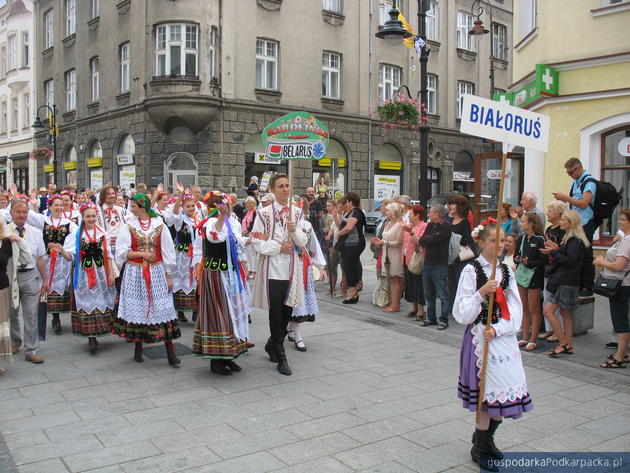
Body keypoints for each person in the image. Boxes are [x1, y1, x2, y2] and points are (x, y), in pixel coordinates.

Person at [453, 219, 532, 472]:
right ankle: (480, 447)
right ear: (481, 242)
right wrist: (481, 293)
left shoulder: (506, 271)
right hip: (479, 338)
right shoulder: (471, 271)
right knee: (485, 399)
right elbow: (461, 312)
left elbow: (516, 309)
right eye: (492, 241)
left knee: (502, 396)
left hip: (503, 339)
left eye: (502, 241)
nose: (499, 246)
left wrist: (500, 328)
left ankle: (484, 439)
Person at [112, 193, 181, 366]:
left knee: (162, 308)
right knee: (139, 308)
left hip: (157, 271)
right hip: (135, 273)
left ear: (142, 207)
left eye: (134, 206)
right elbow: (121, 252)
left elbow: (167, 251)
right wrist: (142, 253)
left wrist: (168, 275)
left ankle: (170, 350)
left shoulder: (159, 224)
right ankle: (138, 347)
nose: (131, 208)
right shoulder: (128, 225)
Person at [251, 173, 308, 376]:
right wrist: (278, 247)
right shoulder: (264, 214)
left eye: (287, 186)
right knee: (275, 312)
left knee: (287, 311)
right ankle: (281, 354)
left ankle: (272, 343)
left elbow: (303, 241)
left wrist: (294, 231)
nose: (285, 189)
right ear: (273, 191)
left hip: (292, 270)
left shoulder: (298, 212)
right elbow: (257, 241)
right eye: (281, 186)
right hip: (273, 268)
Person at [193, 191, 250, 375]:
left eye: (224, 204)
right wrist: (221, 217)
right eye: (220, 205)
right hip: (216, 275)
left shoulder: (232, 222)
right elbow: (214, 236)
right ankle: (217, 360)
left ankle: (230, 355)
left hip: (230, 273)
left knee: (233, 311)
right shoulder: (210, 223)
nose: (224, 207)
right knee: (220, 314)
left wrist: (253, 241)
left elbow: (238, 243)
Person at [61, 204, 117, 354]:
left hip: (100, 273)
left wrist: (111, 274)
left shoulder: (103, 233)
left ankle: (99, 331)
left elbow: (109, 256)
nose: (91, 219)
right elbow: (69, 257)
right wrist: (61, 251)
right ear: (83, 218)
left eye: (93, 216)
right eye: (88, 216)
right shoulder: (76, 235)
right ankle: (90, 337)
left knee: (101, 301)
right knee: (85, 301)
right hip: (83, 274)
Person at [27, 194, 78, 334]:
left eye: (61, 205)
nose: (59, 208)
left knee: (61, 286)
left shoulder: (69, 223)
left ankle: (59, 314)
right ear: (49, 207)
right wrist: (33, 205)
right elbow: (28, 215)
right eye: (56, 205)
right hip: (48, 261)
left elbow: (76, 237)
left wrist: (65, 250)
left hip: (61, 262)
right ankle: (55, 317)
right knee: (48, 285)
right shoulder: (44, 220)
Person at [541, 209, 588, 357]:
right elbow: (568, 257)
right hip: (568, 280)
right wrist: (556, 249)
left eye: (563, 220)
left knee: (548, 311)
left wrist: (553, 253)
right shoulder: (571, 239)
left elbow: (570, 261)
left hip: (566, 280)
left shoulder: (574, 241)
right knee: (565, 312)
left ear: (570, 223)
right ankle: (569, 345)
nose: (560, 222)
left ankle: (562, 343)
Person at [552, 158, 599, 298]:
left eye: (571, 172)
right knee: (577, 253)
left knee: (586, 253)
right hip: (577, 223)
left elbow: (584, 203)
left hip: (587, 222)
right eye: (568, 173)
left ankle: (587, 286)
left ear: (578, 169)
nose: (570, 175)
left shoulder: (589, 182)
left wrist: (566, 197)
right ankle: (579, 284)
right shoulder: (576, 183)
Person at [8, 200, 47, 364]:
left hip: (30, 275)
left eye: (25, 212)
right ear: (11, 213)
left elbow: (40, 258)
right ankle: (15, 342)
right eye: (18, 212)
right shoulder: (4, 231)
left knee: (31, 314)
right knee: (12, 312)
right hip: (11, 276)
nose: (22, 215)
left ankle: (31, 349)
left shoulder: (35, 232)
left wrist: (45, 280)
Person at [288, 199, 327, 352]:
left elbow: (313, 246)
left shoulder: (306, 225)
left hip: (302, 265)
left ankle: (295, 332)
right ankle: (292, 330)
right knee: (290, 301)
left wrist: (320, 266)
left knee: (300, 301)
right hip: (287, 265)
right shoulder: (285, 224)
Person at [594, 208, 630, 368]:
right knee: (622, 318)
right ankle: (622, 353)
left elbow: (619, 265)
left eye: (623, 219)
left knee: (620, 320)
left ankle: (620, 357)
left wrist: (602, 263)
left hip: (621, 285)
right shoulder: (625, 239)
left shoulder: (627, 241)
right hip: (624, 284)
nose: (620, 221)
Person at [0, 215, 32, 374]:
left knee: (2, 325)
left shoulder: (7, 244)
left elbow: (27, 258)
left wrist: (19, 240)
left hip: (3, 289)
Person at [168, 185, 200, 323]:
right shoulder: (180, 219)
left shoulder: (197, 219)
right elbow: (175, 212)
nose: (191, 209)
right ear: (183, 207)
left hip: (195, 255)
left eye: (192, 206)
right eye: (188, 207)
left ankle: (194, 310)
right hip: (183, 255)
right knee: (182, 280)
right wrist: (180, 195)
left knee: (195, 281)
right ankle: (180, 311)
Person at [514, 212, 546, 351]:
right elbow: (517, 255)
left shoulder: (539, 239)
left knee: (534, 308)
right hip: (522, 275)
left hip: (534, 275)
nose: (521, 224)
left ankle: (533, 339)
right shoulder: (521, 238)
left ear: (531, 223)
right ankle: (525, 337)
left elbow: (543, 260)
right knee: (523, 307)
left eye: (524, 221)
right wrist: (518, 259)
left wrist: (529, 262)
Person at [420, 205, 452, 330]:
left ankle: (443, 320)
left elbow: (433, 240)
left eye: (431, 213)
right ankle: (431, 317)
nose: (428, 215)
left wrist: (428, 239)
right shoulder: (430, 225)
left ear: (438, 214)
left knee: (443, 293)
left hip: (439, 264)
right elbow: (423, 240)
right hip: (428, 263)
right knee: (428, 293)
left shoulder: (446, 227)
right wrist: (428, 239)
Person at [540, 200, 568, 342]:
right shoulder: (549, 229)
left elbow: (561, 250)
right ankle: (549, 329)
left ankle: (559, 331)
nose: (547, 213)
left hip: (557, 269)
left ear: (558, 214)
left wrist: (552, 250)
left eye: (550, 211)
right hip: (548, 267)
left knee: (555, 302)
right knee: (546, 298)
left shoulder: (563, 231)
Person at [447, 194, 475, 319]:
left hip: (461, 257)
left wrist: (454, 239)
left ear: (459, 207)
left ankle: (460, 309)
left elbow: (466, 240)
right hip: (450, 257)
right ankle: (452, 308)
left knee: (459, 283)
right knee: (451, 284)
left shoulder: (465, 223)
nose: (450, 206)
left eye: (453, 204)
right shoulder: (450, 220)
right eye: (450, 204)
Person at [374, 202, 405, 312]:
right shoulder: (389, 222)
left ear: (394, 212)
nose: (385, 212)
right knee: (391, 279)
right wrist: (381, 241)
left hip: (395, 254)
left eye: (388, 210)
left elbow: (398, 242)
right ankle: (392, 302)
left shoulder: (400, 224)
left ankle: (396, 304)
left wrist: (384, 242)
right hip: (387, 253)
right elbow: (386, 238)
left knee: (395, 279)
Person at [337, 192, 366, 304]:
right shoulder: (350, 212)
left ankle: (353, 292)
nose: (346, 203)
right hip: (349, 244)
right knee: (348, 266)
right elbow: (342, 223)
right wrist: (338, 214)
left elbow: (349, 227)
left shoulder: (356, 212)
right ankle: (352, 292)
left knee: (350, 266)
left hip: (354, 243)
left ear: (350, 202)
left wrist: (339, 234)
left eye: (347, 201)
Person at [402, 205, 427, 320]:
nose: (409, 216)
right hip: (407, 259)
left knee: (418, 285)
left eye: (411, 214)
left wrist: (411, 232)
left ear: (417, 215)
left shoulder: (423, 226)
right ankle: (414, 307)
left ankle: (421, 311)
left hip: (416, 260)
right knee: (410, 284)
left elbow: (419, 243)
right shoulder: (410, 226)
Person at [324, 200, 342, 296]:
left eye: (330, 206)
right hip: (335, 244)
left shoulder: (341, 216)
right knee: (331, 266)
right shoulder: (333, 216)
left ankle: (344, 289)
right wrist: (329, 236)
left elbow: (340, 226)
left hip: (342, 244)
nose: (328, 208)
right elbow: (332, 228)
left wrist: (335, 216)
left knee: (344, 267)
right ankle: (332, 288)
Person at [241, 196, 258, 280]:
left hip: (251, 233)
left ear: (254, 203)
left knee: (252, 252)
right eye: (248, 203)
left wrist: (248, 230)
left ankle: (254, 270)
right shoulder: (246, 212)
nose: (249, 205)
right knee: (247, 252)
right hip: (245, 234)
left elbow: (254, 222)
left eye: (251, 203)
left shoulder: (255, 212)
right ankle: (250, 269)